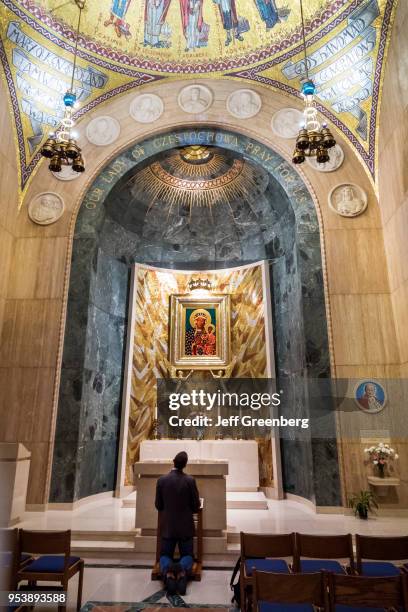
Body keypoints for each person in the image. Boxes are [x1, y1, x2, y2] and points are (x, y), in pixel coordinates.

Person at [155, 451, 200, 595]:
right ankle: (181, 570)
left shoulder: (162, 480)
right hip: (186, 526)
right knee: (188, 555)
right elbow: (195, 506)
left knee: (165, 555)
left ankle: (168, 572)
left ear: (173, 461)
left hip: (168, 526)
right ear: (185, 465)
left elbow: (158, 505)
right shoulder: (190, 481)